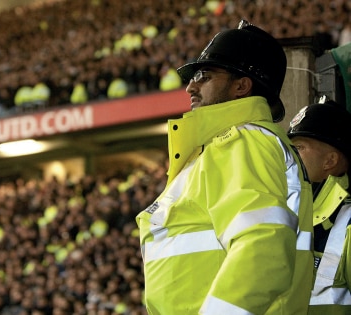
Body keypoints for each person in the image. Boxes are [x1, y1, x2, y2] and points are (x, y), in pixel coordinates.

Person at [136, 20, 314, 314]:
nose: (191, 86)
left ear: (241, 86)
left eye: (204, 75)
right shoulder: (227, 146)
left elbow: (263, 246)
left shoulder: (241, 141)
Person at [287, 101, 351, 314]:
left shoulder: (347, 218)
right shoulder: (297, 202)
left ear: (330, 160)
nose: (290, 156)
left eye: (299, 148)